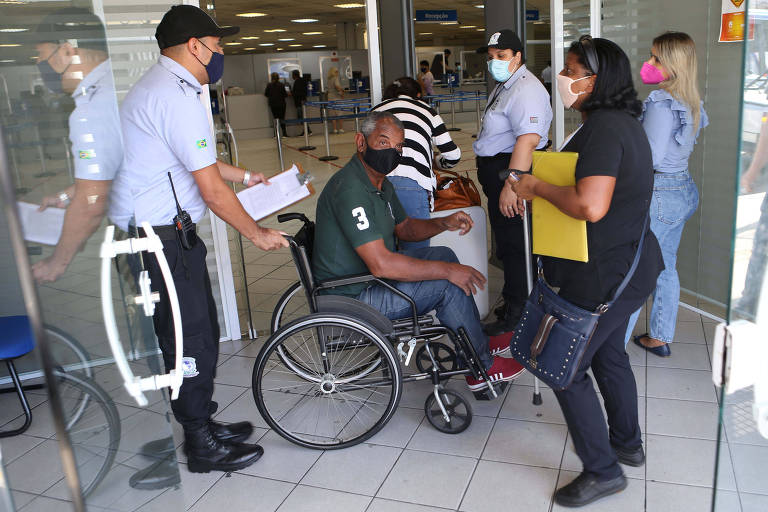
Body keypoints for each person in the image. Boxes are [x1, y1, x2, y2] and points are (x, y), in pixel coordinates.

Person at [109, 5, 288, 475]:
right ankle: (200, 442)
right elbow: (210, 190)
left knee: (199, 329)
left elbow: (198, 164)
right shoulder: (173, 94)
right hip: (160, 237)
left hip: (168, 233)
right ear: (195, 45)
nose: (222, 51)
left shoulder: (174, 87)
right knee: (188, 338)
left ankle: (201, 420)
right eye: (218, 43)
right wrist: (256, 232)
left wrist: (249, 175)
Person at [510, 36, 664, 507]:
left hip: (608, 273)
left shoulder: (605, 129)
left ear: (594, 80)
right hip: (632, 263)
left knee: (563, 366)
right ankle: (627, 443)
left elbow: (589, 205)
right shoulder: (619, 123)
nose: (564, 77)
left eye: (571, 69)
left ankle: (603, 470)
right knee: (607, 354)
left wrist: (535, 186)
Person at [312, 111, 525, 392]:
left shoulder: (378, 182)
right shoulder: (351, 190)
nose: (393, 152)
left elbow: (405, 228)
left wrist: (444, 222)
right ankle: (481, 368)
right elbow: (382, 265)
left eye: (399, 146)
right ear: (360, 142)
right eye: (384, 142)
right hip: (353, 297)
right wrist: (449, 273)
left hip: (368, 280)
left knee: (444, 256)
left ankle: (476, 344)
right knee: (446, 283)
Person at [624, 32, 708, 357]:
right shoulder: (691, 99)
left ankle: (613, 349)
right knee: (665, 266)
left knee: (636, 272)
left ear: (672, 63)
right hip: (681, 189)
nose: (649, 64)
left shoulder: (661, 102)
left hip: (658, 193)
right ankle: (660, 336)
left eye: (656, 58)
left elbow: (651, 158)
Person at [32, 8, 122, 284]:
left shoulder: (90, 110)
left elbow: (92, 204)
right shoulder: (116, 84)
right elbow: (111, 166)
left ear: (67, 50)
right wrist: (67, 196)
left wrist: (55, 263)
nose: (40, 66)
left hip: (148, 235)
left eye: (43, 58)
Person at [473, 29, 552, 335]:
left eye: (502, 57)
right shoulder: (507, 85)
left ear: (518, 56)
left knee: (518, 245)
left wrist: (511, 185)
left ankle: (519, 314)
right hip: (499, 171)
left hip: (511, 172)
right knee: (508, 242)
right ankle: (515, 301)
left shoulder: (527, 89)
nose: (495, 62)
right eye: (492, 57)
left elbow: (528, 141)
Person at [372, 77, 461, 250]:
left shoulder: (376, 111)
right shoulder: (427, 111)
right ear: (418, 94)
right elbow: (453, 155)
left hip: (375, 186)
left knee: (382, 253)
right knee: (416, 254)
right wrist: (435, 162)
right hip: (411, 184)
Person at [265, 72, 288, 137]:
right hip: (282, 104)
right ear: (278, 78)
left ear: (272, 77)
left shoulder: (269, 85)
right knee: (282, 118)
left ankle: (276, 135)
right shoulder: (281, 85)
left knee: (275, 118)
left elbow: (266, 94)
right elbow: (285, 95)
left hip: (273, 104)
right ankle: (284, 134)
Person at [291, 69, 311, 136]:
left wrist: (291, 93)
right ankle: (306, 130)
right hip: (303, 100)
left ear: (294, 75)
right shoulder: (302, 80)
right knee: (303, 116)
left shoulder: (297, 82)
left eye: (292, 75)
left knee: (302, 116)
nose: (292, 77)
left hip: (300, 102)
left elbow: (297, 92)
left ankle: (307, 130)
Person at [326, 66, 345, 134]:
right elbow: (337, 86)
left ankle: (334, 129)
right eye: (336, 71)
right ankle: (341, 128)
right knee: (340, 113)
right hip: (336, 97)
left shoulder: (328, 79)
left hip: (330, 97)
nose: (338, 73)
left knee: (333, 114)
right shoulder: (335, 78)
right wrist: (342, 91)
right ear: (334, 72)